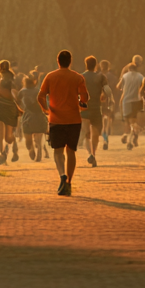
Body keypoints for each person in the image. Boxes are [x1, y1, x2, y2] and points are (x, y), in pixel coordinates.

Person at [38, 50, 89, 196]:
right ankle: (69, 182)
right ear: (70, 61)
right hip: (74, 119)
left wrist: (46, 110)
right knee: (71, 151)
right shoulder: (77, 77)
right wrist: (81, 102)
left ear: (58, 61)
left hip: (56, 119)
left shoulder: (50, 76)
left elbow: (40, 96)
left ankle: (62, 175)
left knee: (58, 150)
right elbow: (85, 97)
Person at [0, 60, 21, 165]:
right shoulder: (3, 78)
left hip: (4, 107)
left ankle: (5, 151)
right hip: (3, 107)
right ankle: (3, 154)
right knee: (5, 136)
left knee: (2, 135)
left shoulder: (8, 79)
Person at [80, 55, 110, 167]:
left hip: (84, 108)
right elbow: (107, 90)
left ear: (86, 65)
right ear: (96, 65)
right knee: (95, 133)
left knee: (87, 132)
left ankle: (90, 154)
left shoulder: (81, 77)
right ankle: (93, 154)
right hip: (96, 108)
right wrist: (104, 96)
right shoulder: (101, 76)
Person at [18, 74, 48, 162]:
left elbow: (18, 102)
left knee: (28, 139)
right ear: (34, 82)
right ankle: (39, 151)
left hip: (28, 116)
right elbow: (44, 103)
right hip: (39, 115)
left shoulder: (22, 91)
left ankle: (31, 150)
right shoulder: (38, 91)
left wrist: (21, 110)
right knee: (38, 138)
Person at [118, 62, 144, 149]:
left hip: (126, 101)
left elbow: (118, 86)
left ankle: (127, 136)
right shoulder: (140, 76)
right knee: (134, 121)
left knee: (127, 121)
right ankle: (134, 136)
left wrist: (124, 87)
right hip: (137, 100)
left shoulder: (125, 76)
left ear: (129, 69)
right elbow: (144, 87)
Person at [98, 60, 117, 150]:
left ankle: (104, 139)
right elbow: (114, 89)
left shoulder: (97, 76)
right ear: (108, 67)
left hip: (99, 100)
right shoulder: (112, 77)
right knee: (108, 121)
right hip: (109, 100)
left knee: (102, 122)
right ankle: (106, 138)